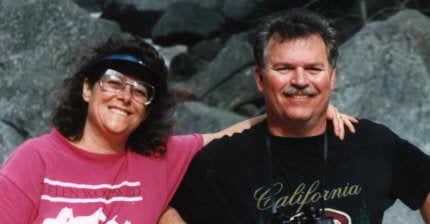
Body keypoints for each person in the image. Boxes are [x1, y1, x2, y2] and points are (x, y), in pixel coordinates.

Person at [0, 35, 354, 223]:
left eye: (140, 91)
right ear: (87, 89)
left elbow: (232, 136)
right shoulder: (34, 160)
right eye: (114, 82)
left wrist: (309, 110)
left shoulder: (160, 159)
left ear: (148, 108)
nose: (125, 96)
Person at [160, 9, 430, 224]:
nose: (300, 81)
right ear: (260, 78)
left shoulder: (373, 143)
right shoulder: (221, 161)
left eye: (314, 68)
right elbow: (164, 209)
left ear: (332, 77)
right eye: (284, 68)